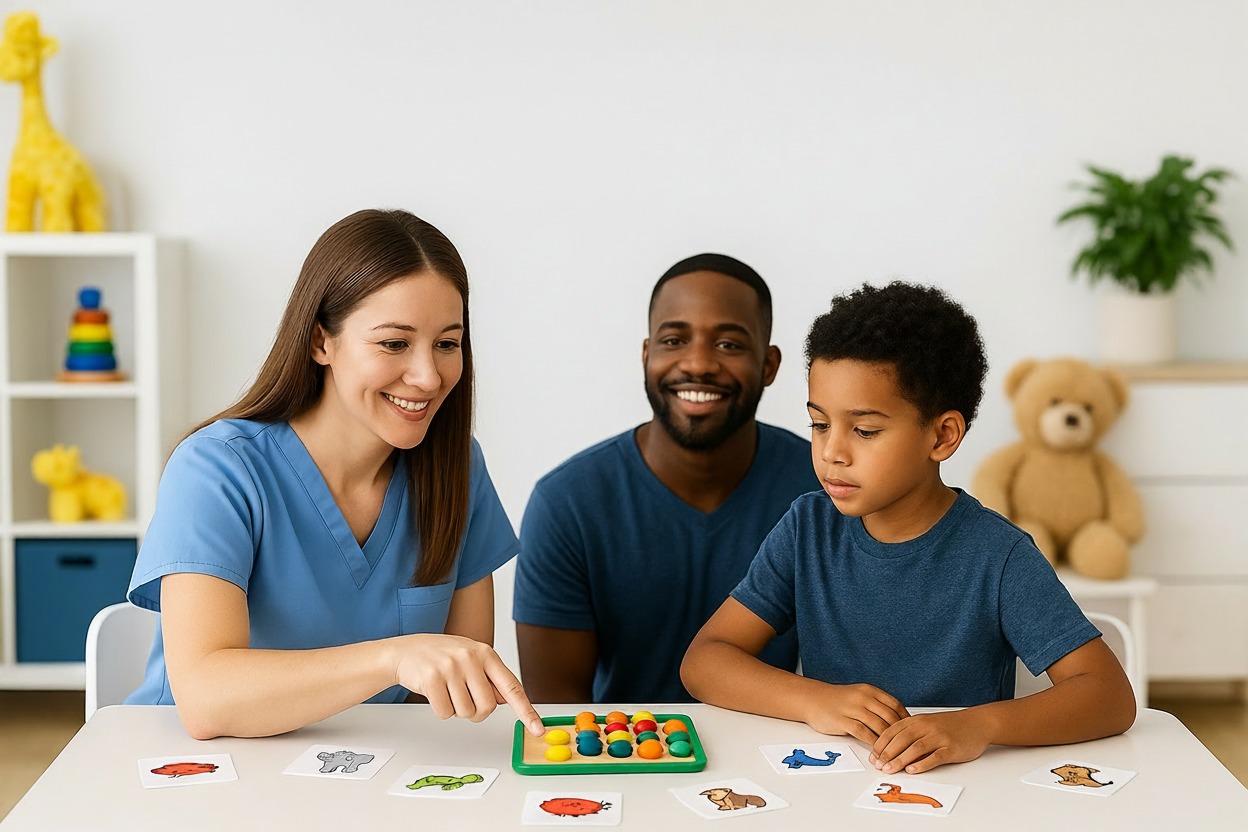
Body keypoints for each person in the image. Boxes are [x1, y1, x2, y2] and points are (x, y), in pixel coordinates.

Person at [124, 209, 545, 741]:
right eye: (394, 343)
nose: (428, 376)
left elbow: (456, 697)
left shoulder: (457, 467)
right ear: (322, 341)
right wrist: (395, 657)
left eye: (446, 343)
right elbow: (207, 701)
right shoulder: (216, 468)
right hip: (198, 770)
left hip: (369, 771)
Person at [681, 281, 1136, 774]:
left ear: (942, 436)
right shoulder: (806, 530)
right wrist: (814, 700)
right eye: (819, 424)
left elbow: (1108, 695)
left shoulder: (998, 554)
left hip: (962, 790)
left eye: (865, 430)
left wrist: (978, 726)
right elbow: (705, 661)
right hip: (833, 784)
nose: (832, 450)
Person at [513, 254, 817, 703]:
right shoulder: (568, 504)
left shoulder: (826, 488)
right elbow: (557, 715)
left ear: (769, 365)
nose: (698, 364)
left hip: (774, 760)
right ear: (646, 354)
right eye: (674, 340)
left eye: (729, 344)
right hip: (618, 764)